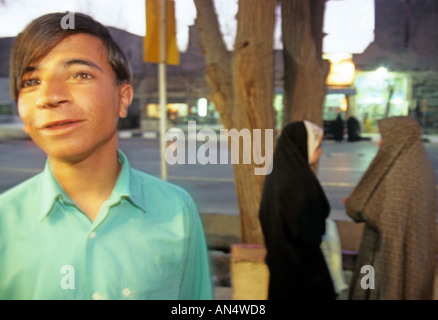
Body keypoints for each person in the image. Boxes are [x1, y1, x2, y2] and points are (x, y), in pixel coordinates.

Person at [0, 12, 213, 300]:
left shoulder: (176, 210)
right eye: (31, 82)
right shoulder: (5, 221)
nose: (50, 96)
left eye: (80, 74)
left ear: (123, 98)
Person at [345, 116, 436, 300]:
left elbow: (383, 216)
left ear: (397, 138)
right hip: (412, 257)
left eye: (384, 138)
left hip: (382, 257)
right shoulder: (418, 163)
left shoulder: (400, 173)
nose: (379, 143)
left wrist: (358, 203)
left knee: (372, 290)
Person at [259, 120, 336, 300]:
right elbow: (310, 232)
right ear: (303, 146)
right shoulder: (300, 183)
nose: (321, 152)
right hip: (304, 273)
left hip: (280, 269)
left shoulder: (276, 176)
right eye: (318, 147)